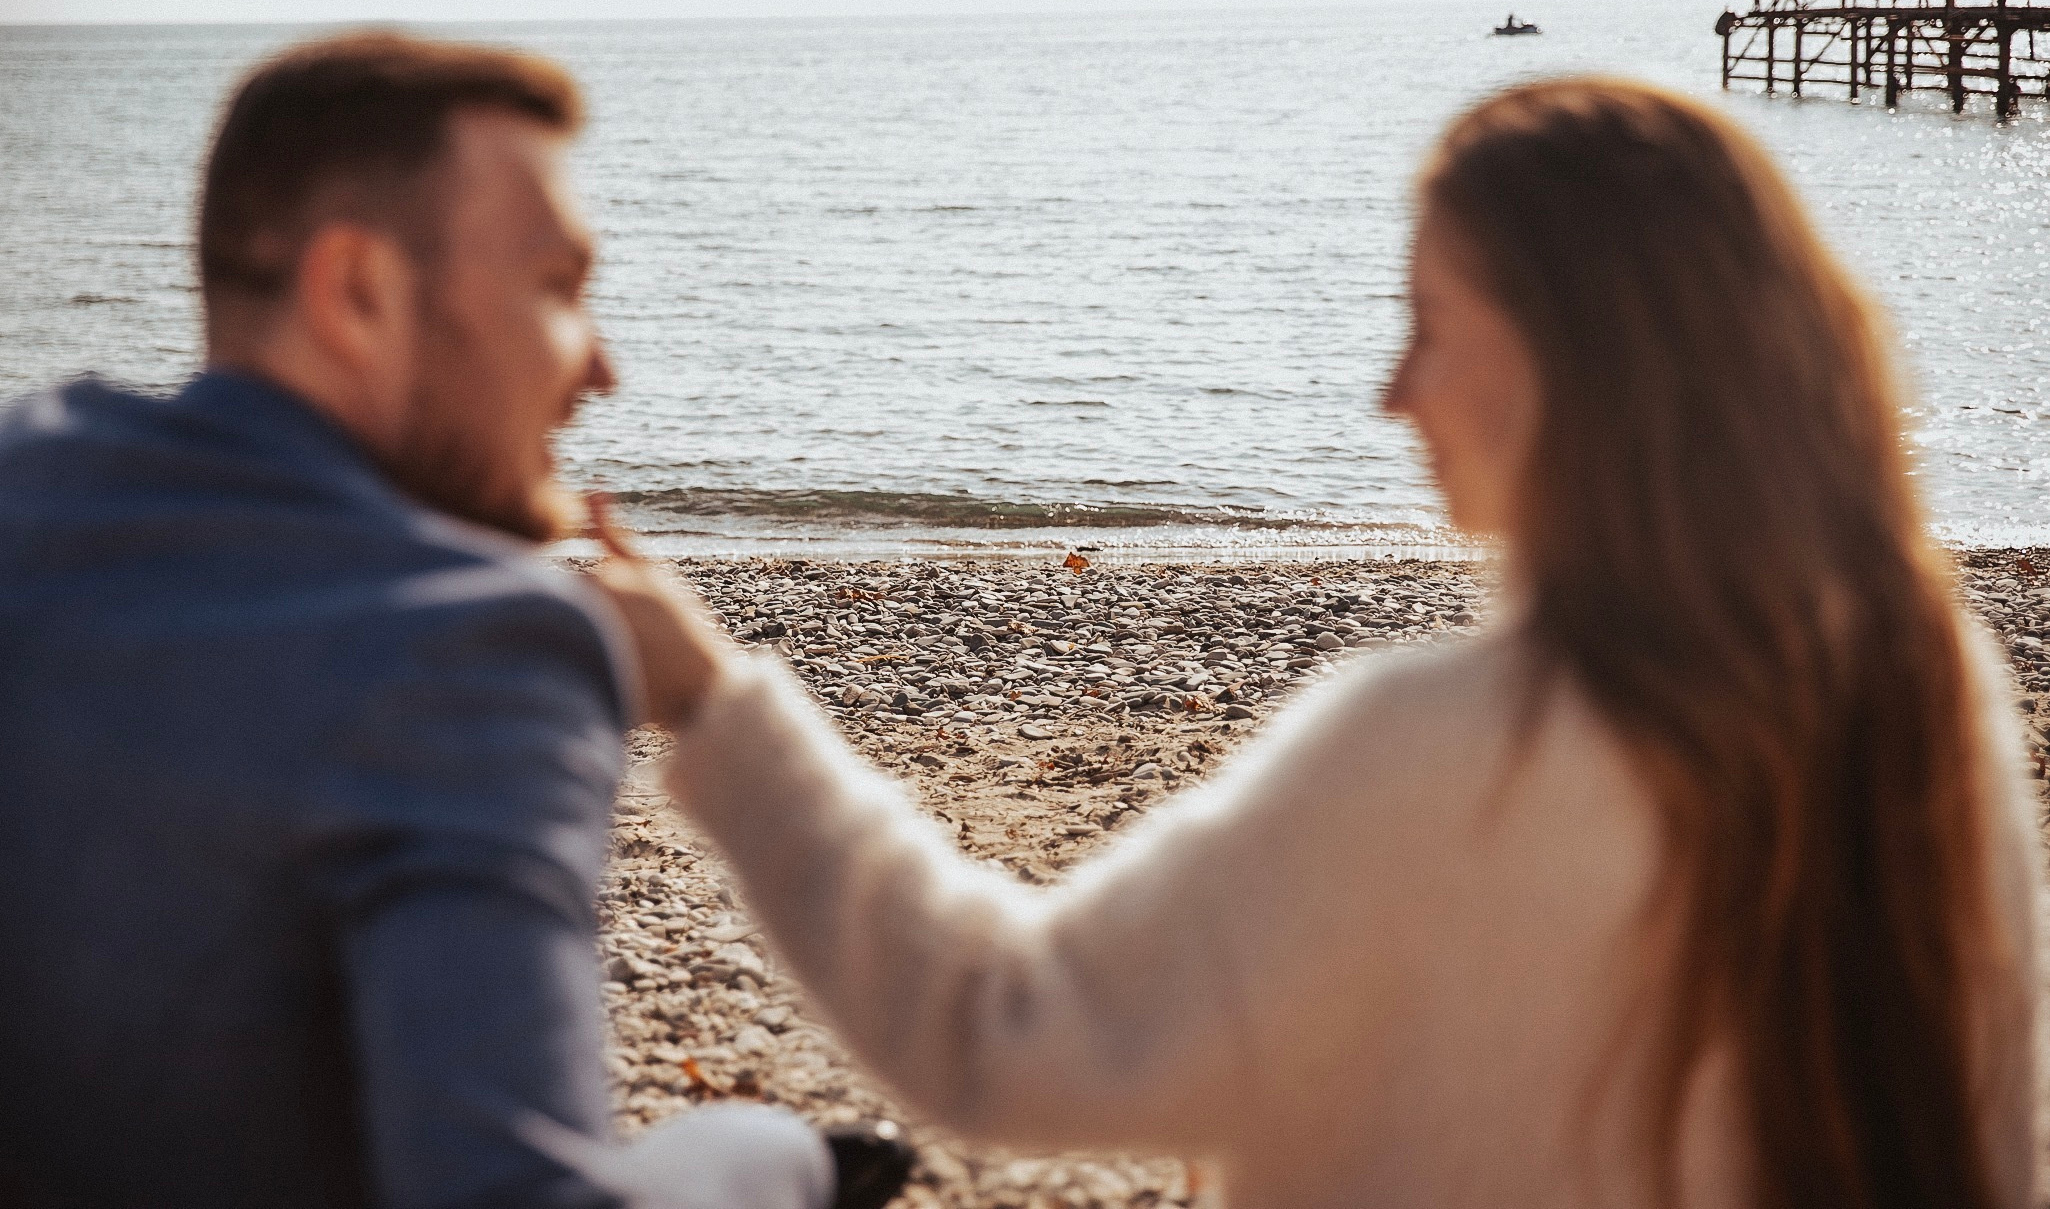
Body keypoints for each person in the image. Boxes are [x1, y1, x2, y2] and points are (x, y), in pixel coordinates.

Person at [590, 78, 2046, 1208]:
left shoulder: (1456, 747)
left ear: (1571, 358)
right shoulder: (1917, 677)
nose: (1389, 393)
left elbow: (1002, 1026)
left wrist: (715, 700)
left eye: (1425, 323)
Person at [0, 33, 869, 1208]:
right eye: (558, 289)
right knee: (761, 1150)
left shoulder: (29, 472)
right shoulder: (476, 649)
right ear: (357, 291)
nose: (599, 366)